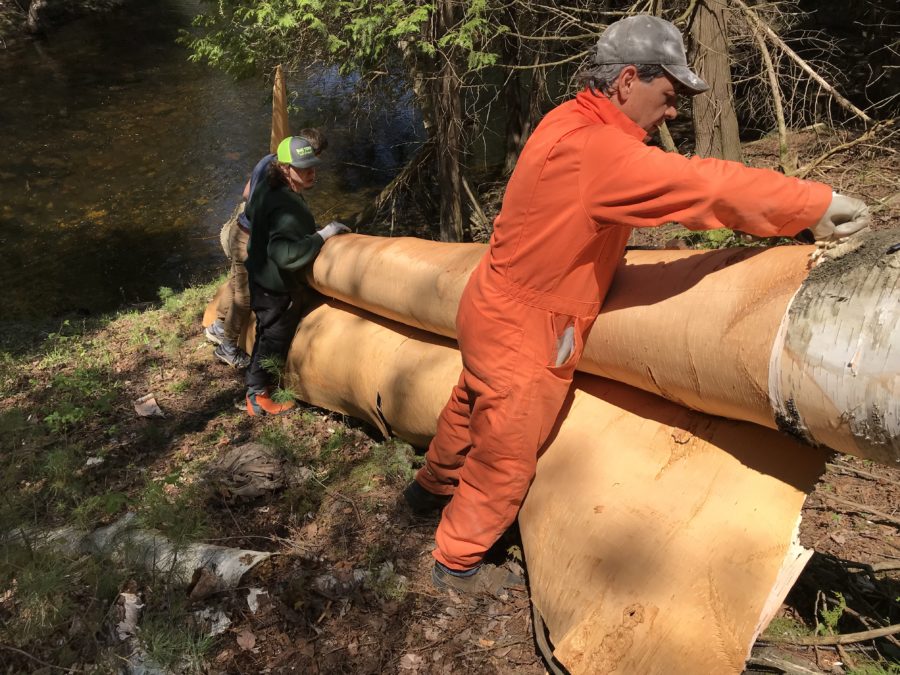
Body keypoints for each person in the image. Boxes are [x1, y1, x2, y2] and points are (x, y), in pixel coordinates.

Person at [403, 14, 871, 595]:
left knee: (469, 401)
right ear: (627, 81)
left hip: (489, 301)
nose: (672, 112)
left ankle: (426, 491)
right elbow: (701, 186)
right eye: (668, 95)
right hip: (530, 326)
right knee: (507, 450)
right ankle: (455, 561)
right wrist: (810, 206)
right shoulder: (599, 151)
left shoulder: (566, 120)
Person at [242, 135, 350, 415]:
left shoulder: (268, 186)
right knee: (273, 337)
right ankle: (257, 395)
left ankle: (262, 384)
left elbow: (251, 209)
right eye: (302, 168)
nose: (311, 172)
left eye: (312, 166)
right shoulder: (285, 205)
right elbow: (285, 255)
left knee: (267, 331)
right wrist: (322, 236)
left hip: (260, 277)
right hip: (275, 287)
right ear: (285, 168)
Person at [205, 129, 329, 369]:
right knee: (245, 296)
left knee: (236, 281)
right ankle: (227, 347)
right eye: (312, 157)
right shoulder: (283, 180)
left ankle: (218, 326)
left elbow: (246, 194)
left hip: (241, 227)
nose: (312, 166)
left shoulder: (268, 160)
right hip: (249, 237)